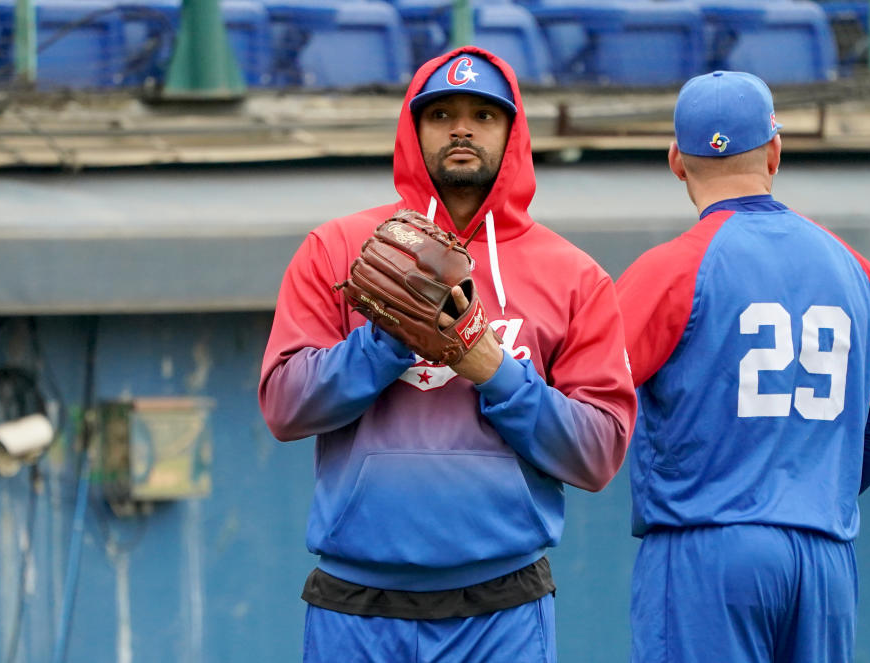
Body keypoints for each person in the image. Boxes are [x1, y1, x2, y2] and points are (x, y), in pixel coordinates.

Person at [258, 46, 637, 663]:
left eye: (484, 115)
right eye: (441, 115)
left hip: (502, 606)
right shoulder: (340, 249)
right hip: (357, 602)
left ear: (514, 133)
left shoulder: (574, 276)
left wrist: (495, 372)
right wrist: (388, 339)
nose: (462, 128)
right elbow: (283, 406)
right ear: (414, 132)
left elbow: (599, 454)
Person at [613, 70, 870, 663]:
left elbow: (585, 397)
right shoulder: (855, 268)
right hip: (823, 559)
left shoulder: (670, 268)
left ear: (676, 160)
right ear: (775, 150)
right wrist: (804, 496)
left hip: (708, 549)